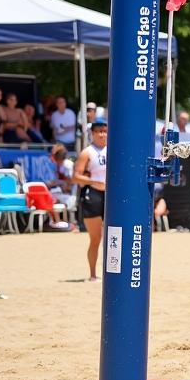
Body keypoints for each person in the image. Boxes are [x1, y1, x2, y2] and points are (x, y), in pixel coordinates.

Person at [72, 118, 108, 281]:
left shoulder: (113, 150)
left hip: (110, 195)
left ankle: (111, 272)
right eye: (99, 131)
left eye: (105, 131)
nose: (102, 134)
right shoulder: (87, 152)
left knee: (114, 234)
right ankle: (93, 274)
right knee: (96, 238)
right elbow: (75, 177)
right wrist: (93, 181)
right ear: (93, 134)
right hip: (93, 194)